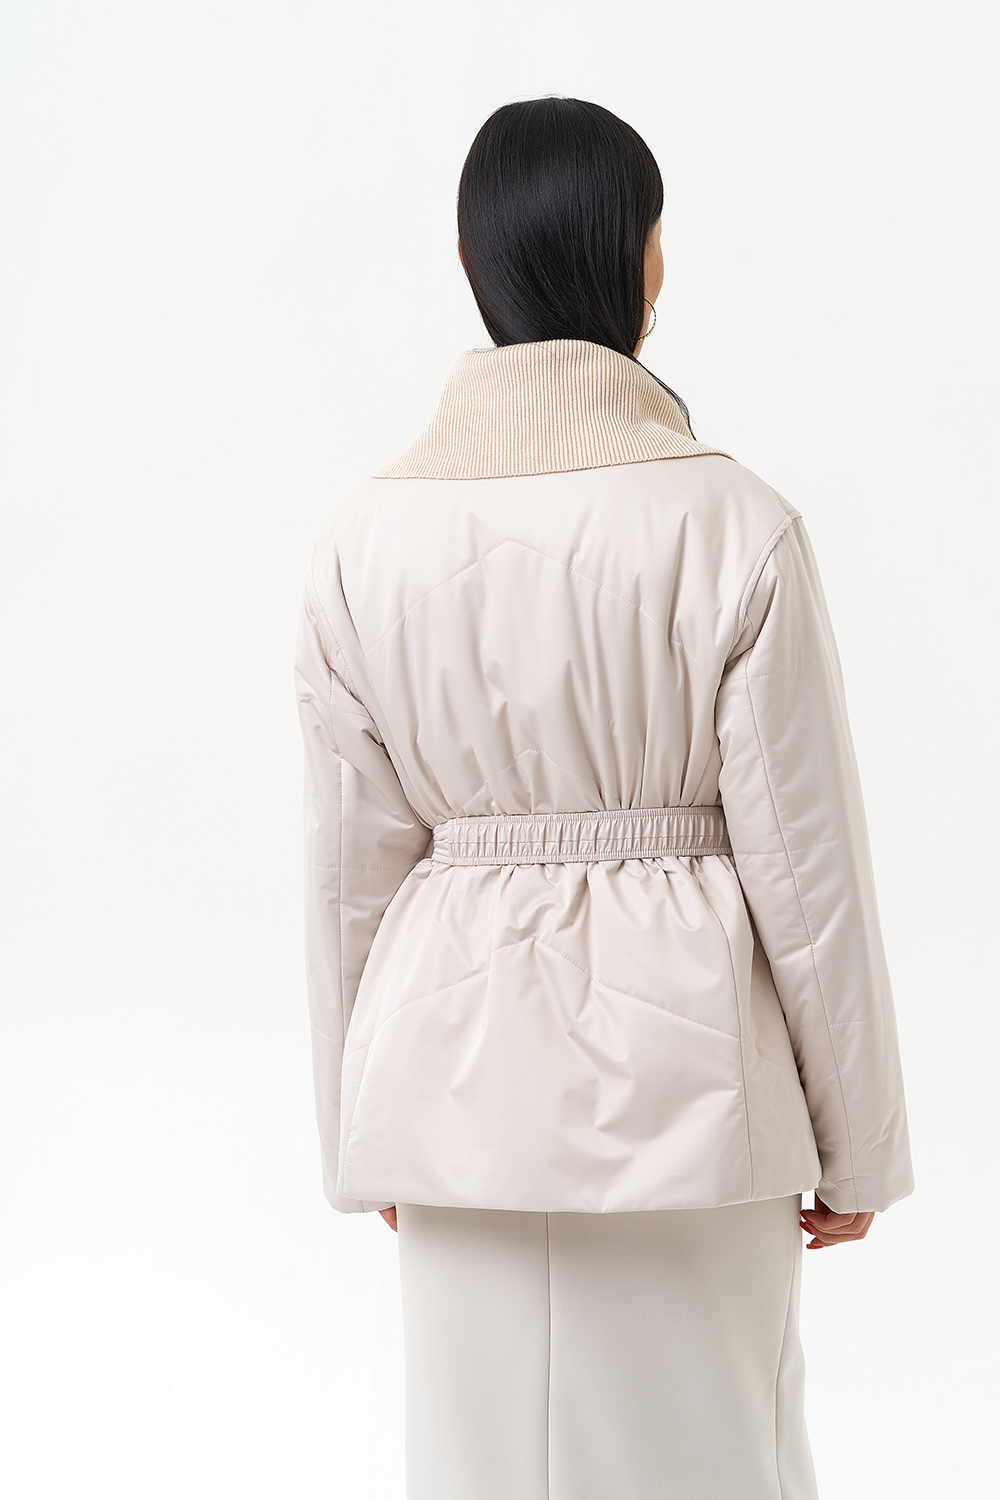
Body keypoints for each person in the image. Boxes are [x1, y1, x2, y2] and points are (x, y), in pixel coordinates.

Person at [294, 95, 914, 1500]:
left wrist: (359, 1128)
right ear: (645, 263)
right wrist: (860, 1145)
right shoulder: (732, 522)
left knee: (480, 1470)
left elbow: (348, 877)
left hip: (450, 1092)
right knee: (711, 1458)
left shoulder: (360, 541)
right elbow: (807, 869)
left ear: (473, 265)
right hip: (690, 1092)